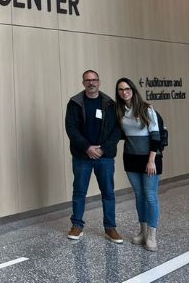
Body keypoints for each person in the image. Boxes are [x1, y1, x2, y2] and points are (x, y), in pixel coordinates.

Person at [64, 69, 122, 243]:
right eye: (87, 80)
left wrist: (102, 149)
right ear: (83, 83)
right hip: (82, 156)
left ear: (99, 82)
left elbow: (117, 130)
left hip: (105, 157)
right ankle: (77, 226)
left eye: (94, 80)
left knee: (108, 193)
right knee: (79, 192)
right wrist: (87, 147)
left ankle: (110, 228)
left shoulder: (109, 104)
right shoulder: (75, 103)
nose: (91, 83)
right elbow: (71, 129)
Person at [115, 77, 161, 251]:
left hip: (149, 159)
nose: (124, 92)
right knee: (139, 196)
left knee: (150, 196)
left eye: (127, 89)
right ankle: (142, 231)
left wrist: (151, 160)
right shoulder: (119, 111)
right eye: (120, 90)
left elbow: (155, 136)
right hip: (131, 158)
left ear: (133, 90)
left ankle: (152, 235)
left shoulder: (146, 109)